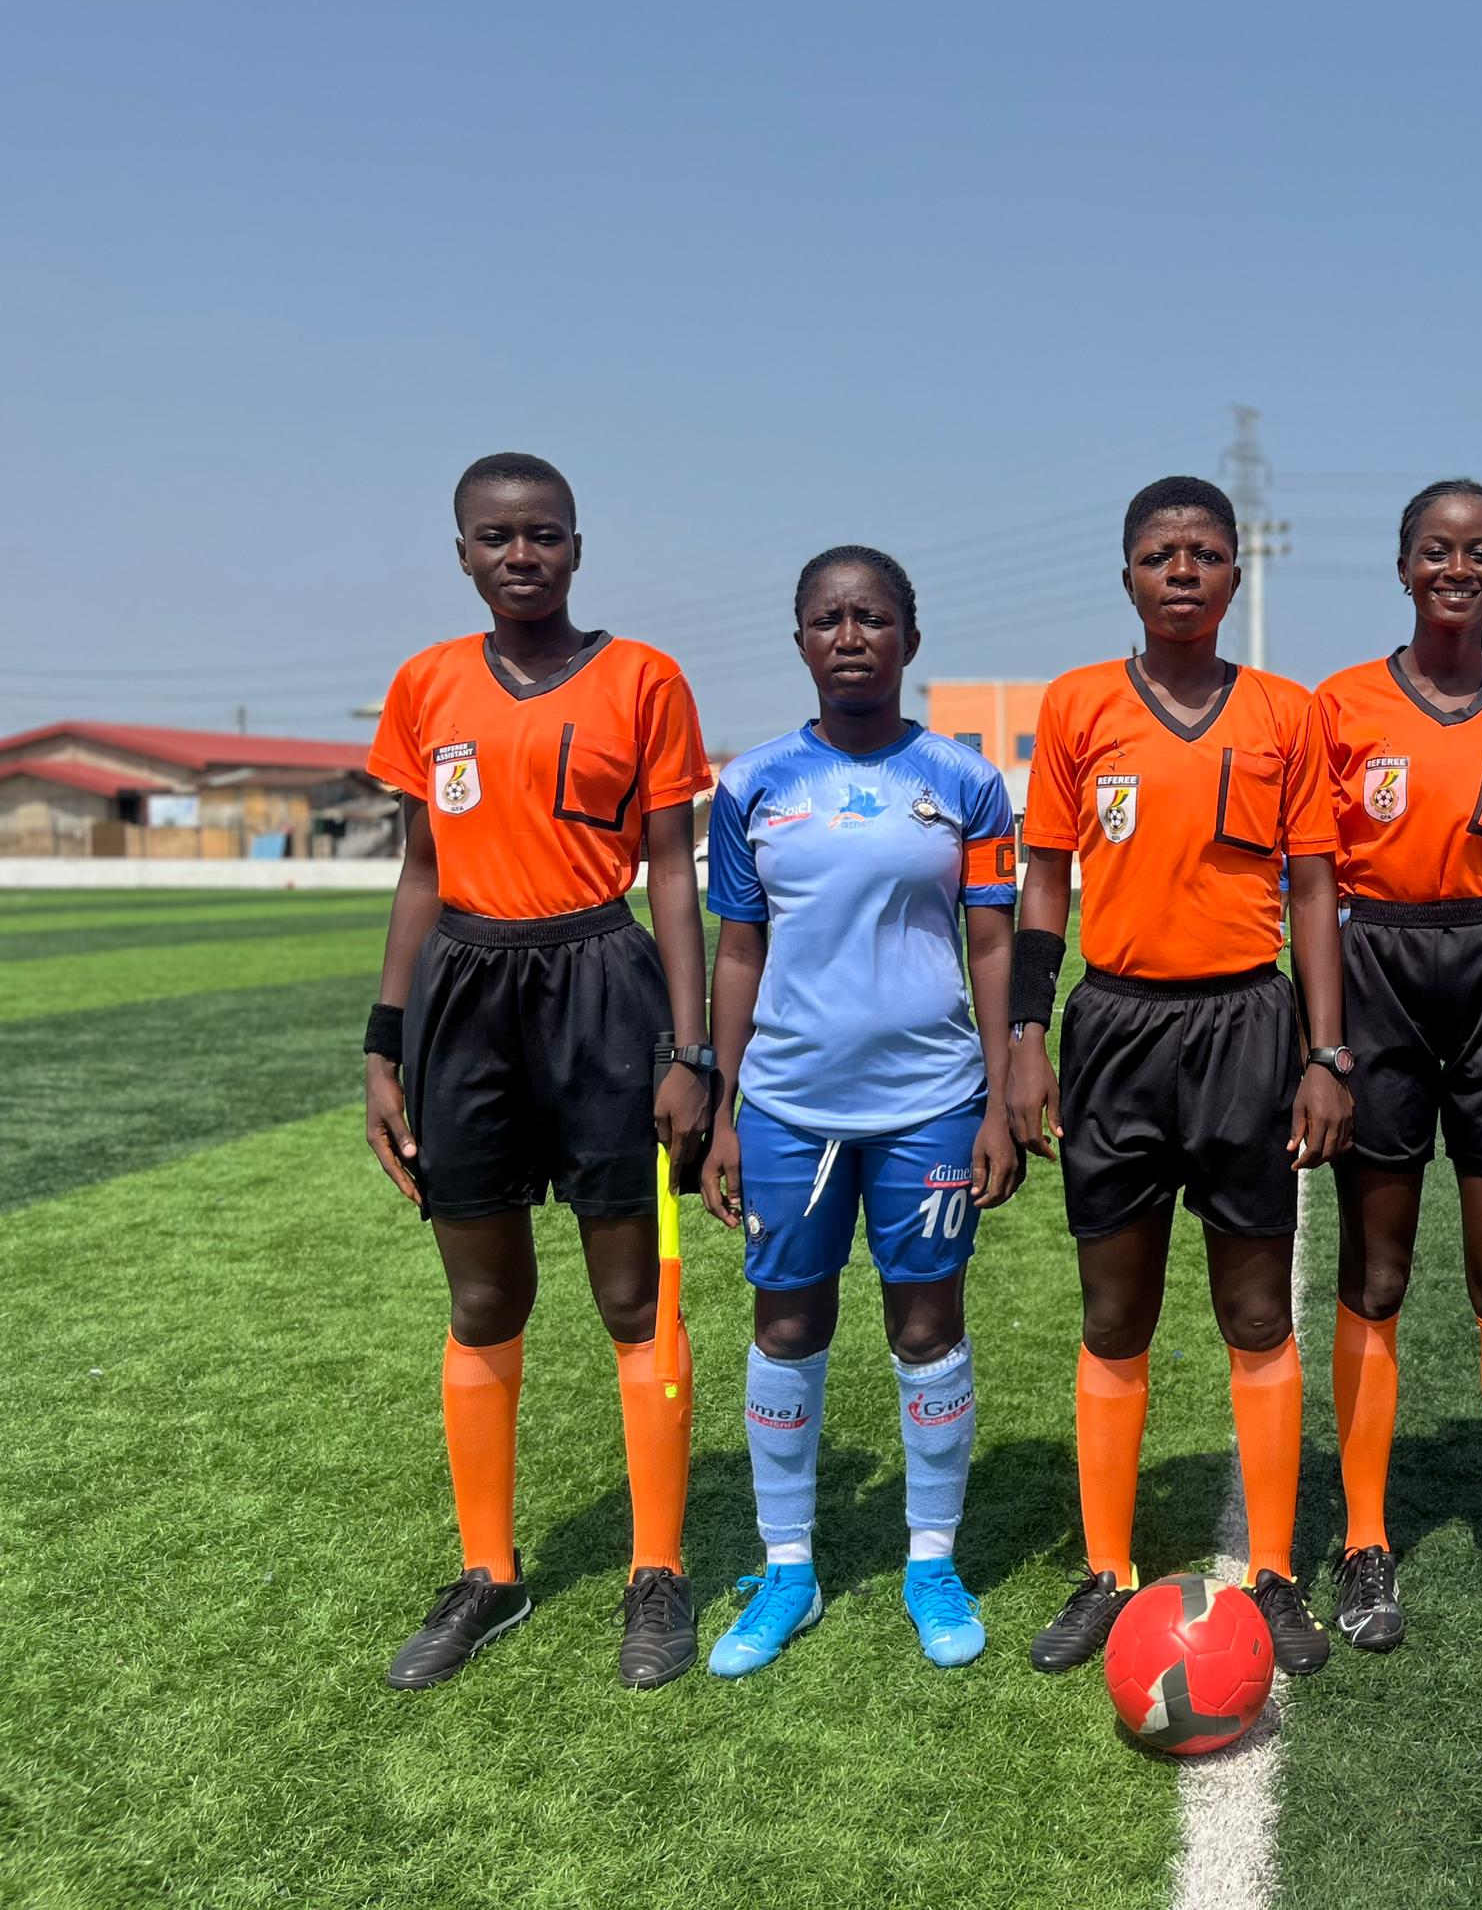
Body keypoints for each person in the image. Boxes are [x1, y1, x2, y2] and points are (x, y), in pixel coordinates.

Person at [364, 452, 715, 1690]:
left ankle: (656, 1572)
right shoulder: (425, 685)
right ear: (460, 551)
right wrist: (383, 1044)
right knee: (481, 1299)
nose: (522, 554)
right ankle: (489, 1576)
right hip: (463, 997)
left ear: (577, 547)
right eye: (496, 536)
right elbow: (419, 871)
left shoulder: (642, 679)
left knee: (633, 1295)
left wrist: (692, 1047)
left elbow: (671, 869)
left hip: (602, 989)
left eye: (545, 534)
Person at [1005, 476, 1352, 1677]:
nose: (1184, 571)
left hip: (1249, 1028)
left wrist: (1325, 1050)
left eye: (1206, 552)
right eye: (1161, 554)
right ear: (1128, 575)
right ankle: (1104, 1570)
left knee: (1256, 1314)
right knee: (1115, 1314)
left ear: (1235, 576)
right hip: (1114, 1029)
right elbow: (1043, 879)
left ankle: (1276, 1570)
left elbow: (1315, 890)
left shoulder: (1285, 712)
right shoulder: (1075, 707)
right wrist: (1024, 1036)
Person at [695, 546, 1021, 1676]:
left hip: (932, 1103)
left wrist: (996, 1094)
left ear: (908, 641)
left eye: (872, 618)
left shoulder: (967, 783)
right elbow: (739, 949)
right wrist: (724, 1108)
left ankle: (931, 1559)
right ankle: (787, 1567)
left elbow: (990, 939)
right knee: (786, 1324)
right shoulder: (752, 785)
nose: (850, 635)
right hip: (787, 1105)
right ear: (799, 641)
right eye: (828, 618)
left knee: (925, 1326)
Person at [1310, 478, 1482, 1653]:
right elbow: (1314, 885)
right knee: (1373, 1276)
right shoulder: (1341, 705)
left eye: (1478, 552)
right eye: (1436, 550)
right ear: (1403, 565)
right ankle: (1366, 1540)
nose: (1456, 569)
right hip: (1375, 972)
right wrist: (1325, 1046)